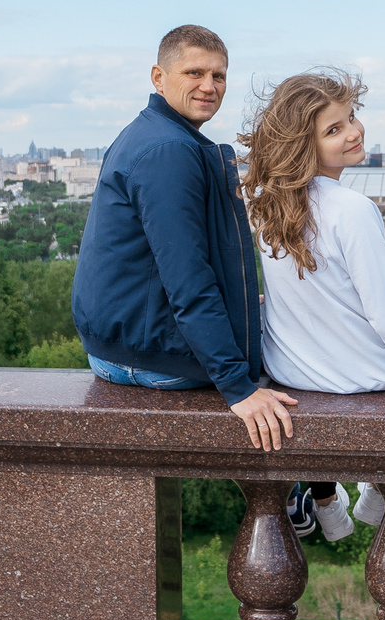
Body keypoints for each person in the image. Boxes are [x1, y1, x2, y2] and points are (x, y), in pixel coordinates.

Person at [72, 25, 298, 452]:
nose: (209, 86)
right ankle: (316, 484)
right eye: (195, 73)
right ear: (158, 77)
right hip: (153, 360)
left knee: (284, 319)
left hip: (124, 344)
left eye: (219, 76)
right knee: (310, 346)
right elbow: (187, 278)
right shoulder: (169, 151)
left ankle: (303, 488)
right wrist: (239, 389)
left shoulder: (150, 132)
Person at [240, 69, 385, 541]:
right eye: (334, 129)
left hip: (292, 374)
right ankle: (378, 493)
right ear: (303, 147)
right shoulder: (352, 209)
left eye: (351, 117)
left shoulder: (267, 204)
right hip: (360, 378)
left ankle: (329, 507)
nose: (353, 132)